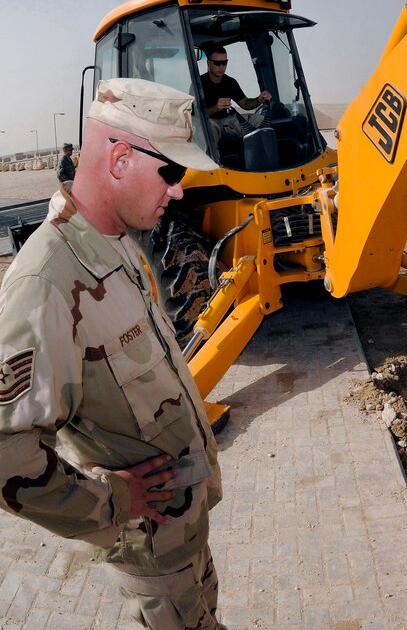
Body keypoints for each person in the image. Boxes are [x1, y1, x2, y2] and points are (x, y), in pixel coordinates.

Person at [0, 78, 225, 629]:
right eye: (170, 173)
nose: (177, 191)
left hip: (183, 534)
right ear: (121, 158)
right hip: (152, 555)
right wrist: (108, 500)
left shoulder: (114, 241)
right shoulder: (46, 282)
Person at [200, 44, 272, 145]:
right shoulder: (198, 83)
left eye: (224, 63)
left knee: (260, 120)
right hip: (209, 122)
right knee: (209, 129)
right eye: (217, 63)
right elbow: (196, 116)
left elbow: (245, 104)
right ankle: (214, 160)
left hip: (229, 121)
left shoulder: (230, 82)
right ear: (208, 63)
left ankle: (264, 155)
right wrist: (216, 108)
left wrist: (259, 99)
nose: (221, 66)